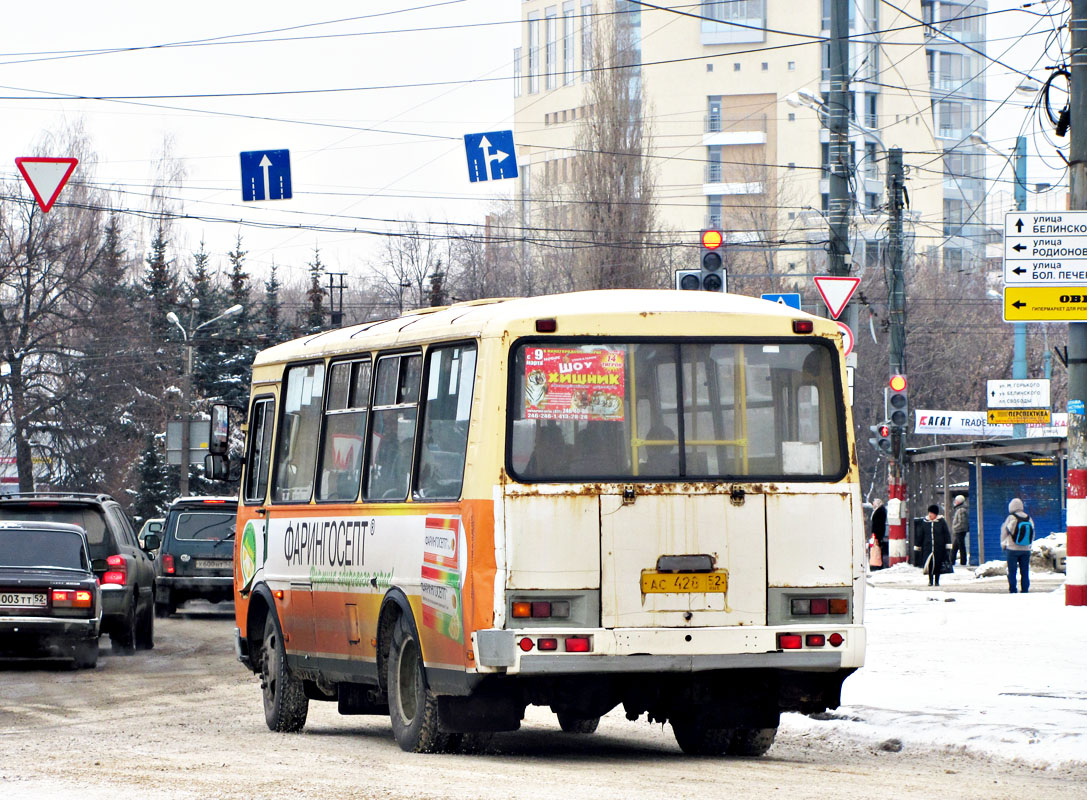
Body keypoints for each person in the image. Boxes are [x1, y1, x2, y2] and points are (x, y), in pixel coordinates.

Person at [1001, 497, 1034, 594]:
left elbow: (1004, 532)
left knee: (1012, 571)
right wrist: (1028, 544)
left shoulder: (1011, 518)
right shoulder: (1028, 518)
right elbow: (1032, 532)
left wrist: (1003, 544)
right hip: (1025, 549)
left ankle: (1013, 589)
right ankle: (1025, 589)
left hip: (1012, 549)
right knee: (1024, 571)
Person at [915, 504, 951, 587]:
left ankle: (937, 581)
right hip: (927, 547)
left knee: (938, 564)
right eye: (929, 513)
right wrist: (918, 545)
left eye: (932, 513)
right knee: (929, 564)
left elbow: (946, 534)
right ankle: (930, 580)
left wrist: (947, 545)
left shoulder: (941, 522)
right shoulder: (925, 522)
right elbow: (920, 534)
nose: (930, 515)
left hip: (939, 547)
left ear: (935, 514)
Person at [950, 494, 969, 566]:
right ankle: (952, 561)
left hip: (960, 531)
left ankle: (962, 561)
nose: (955, 502)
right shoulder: (960, 509)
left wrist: (955, 527)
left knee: (959, 546)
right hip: (959, 530)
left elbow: (962, 522)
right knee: (956, 547)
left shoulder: (961, 510)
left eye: (956, 501)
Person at [870, 498, 887, 570]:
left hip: (877, 534)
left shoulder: (879, 511)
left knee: (877, 548)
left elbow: (877, 524)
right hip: (878, 534)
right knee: (877, 548)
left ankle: (877, 564)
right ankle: (877, 563)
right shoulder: (881, 510)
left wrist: (875, 534)